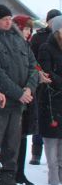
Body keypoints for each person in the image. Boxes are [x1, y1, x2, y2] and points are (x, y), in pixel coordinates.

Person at [0, 5, 39, 185]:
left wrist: (29, 87)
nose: (8, 21)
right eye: (4, 18)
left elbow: (33, 65)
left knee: (13, 142)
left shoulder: (18, 39)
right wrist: (17, 92)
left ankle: (8, 178)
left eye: (9, 18)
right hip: (1, 100)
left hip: (20, 101)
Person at [29, 9, 61, 165]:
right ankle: (36, 153)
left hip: (56, 87)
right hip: (44, 86)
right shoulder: (39, 38)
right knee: (42, 122)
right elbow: (35, 61)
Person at [13, 15, 39, 185]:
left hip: (28, 93)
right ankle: (10, 172)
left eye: (30, 29)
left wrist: (34, 81)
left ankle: (20, 172)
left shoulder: (26, 45)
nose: (29, 32)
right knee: (12, 137)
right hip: (15, 94)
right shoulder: (13, 44)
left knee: (22, 136)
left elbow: (33, 67)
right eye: (26, 28)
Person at [37, 16, 62, 185]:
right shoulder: (46, 47)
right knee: (52, 137)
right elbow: (46, 72)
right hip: (51, 98)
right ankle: (53, 175)